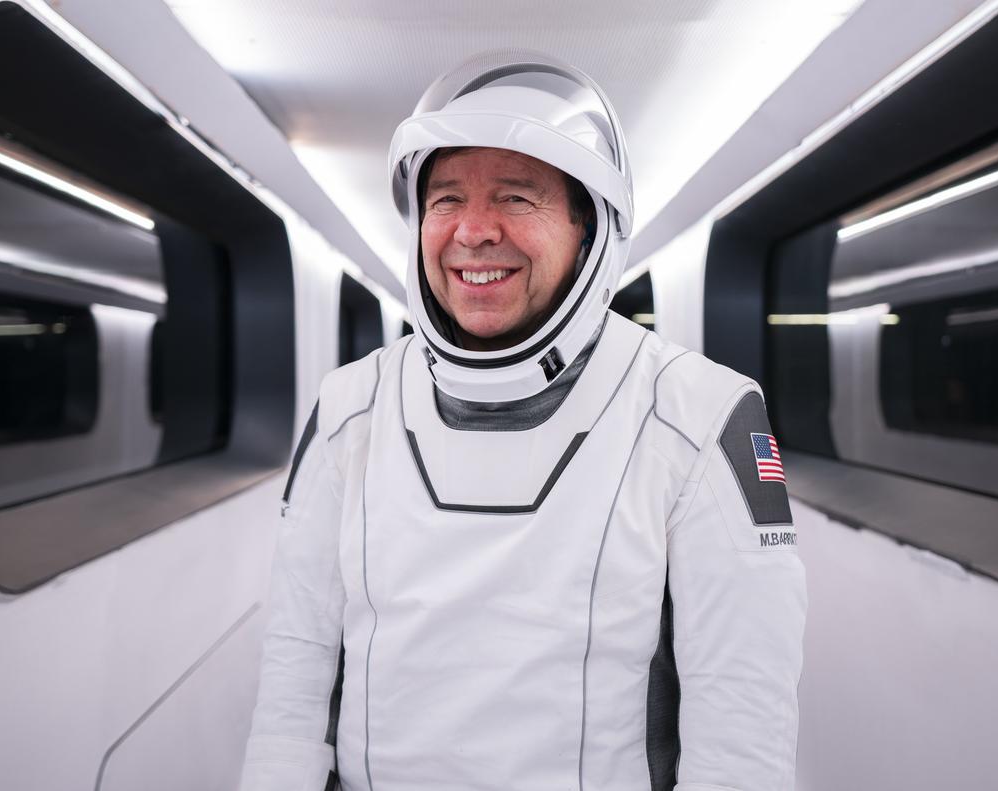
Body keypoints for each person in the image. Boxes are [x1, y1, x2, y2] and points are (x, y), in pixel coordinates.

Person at [240, 52, 806, 791]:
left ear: (590, 229)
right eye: (445, 199)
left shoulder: (699, 413)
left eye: (516, 196)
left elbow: (741, 740)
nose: (473, 231)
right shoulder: (351, 406)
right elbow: (293, 679)